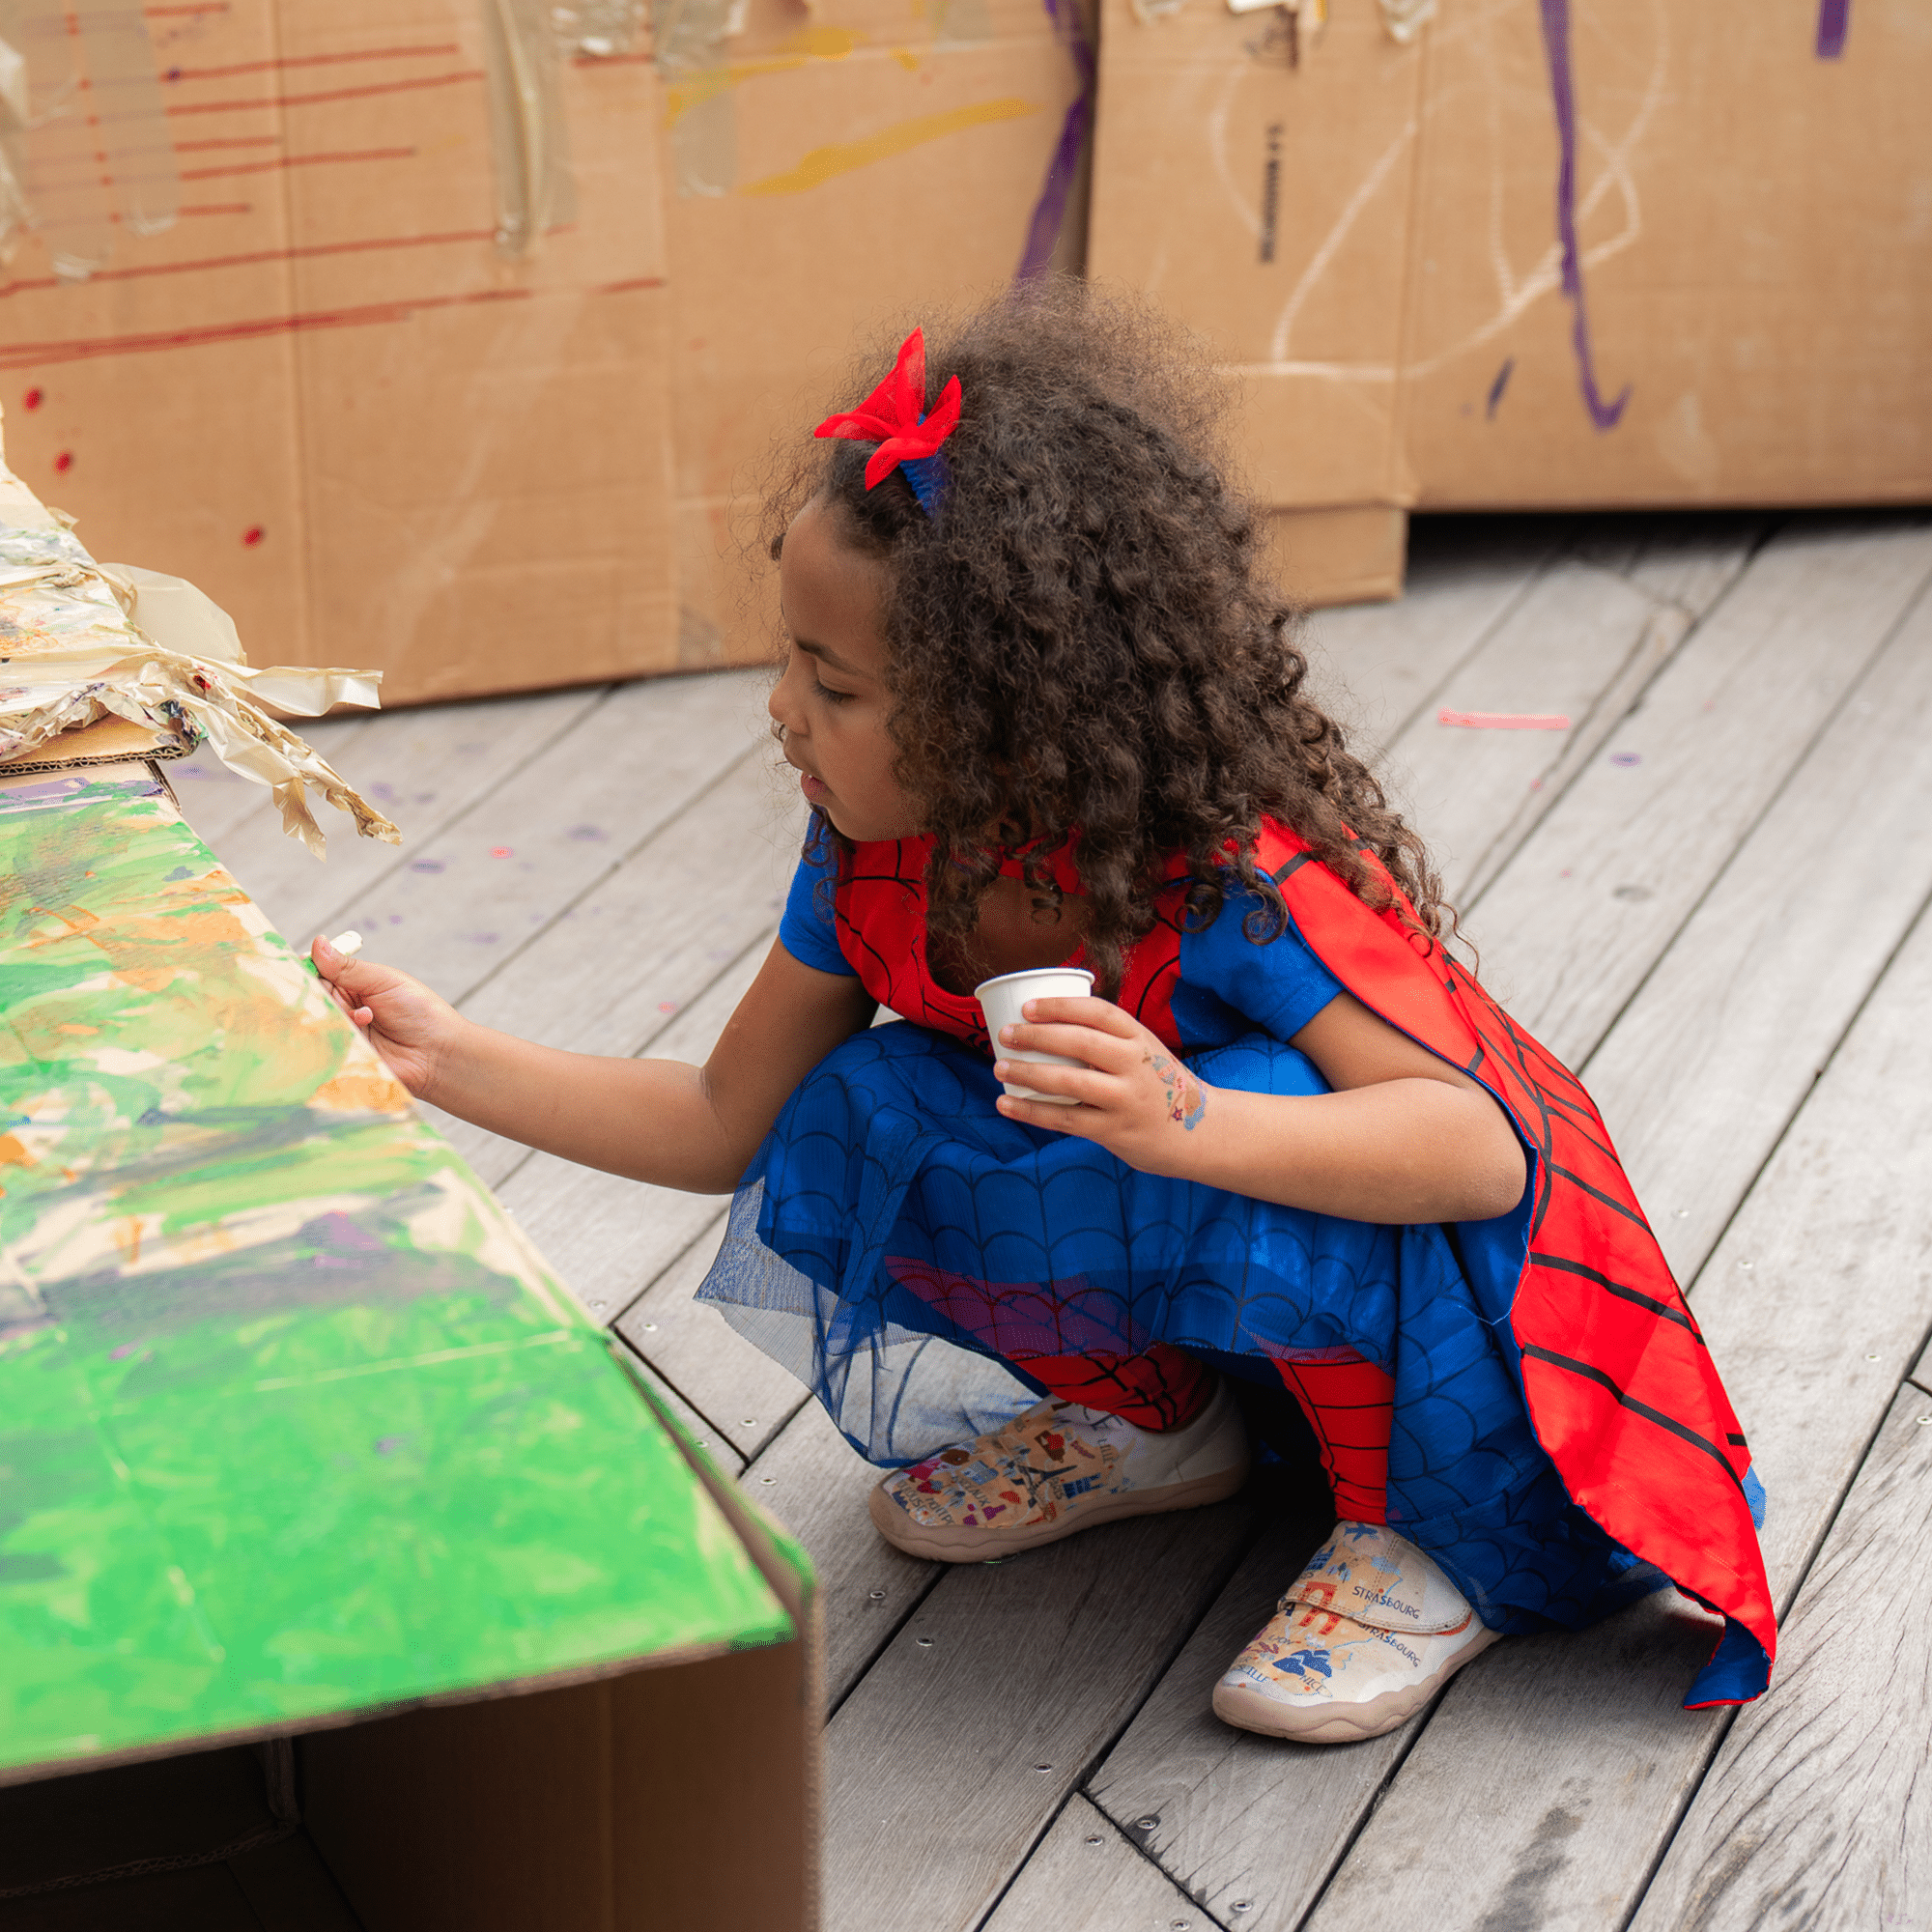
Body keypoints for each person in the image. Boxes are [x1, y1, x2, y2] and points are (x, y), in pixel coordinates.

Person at [314, 285, 1774, 1743]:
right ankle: (1163, 1424)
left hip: (1467, 1313)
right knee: (863, 1110)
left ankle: (1413, 1542)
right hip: (1211, 1231)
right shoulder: (878, 856)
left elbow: (1479, 1154)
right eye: (788, 663)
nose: (779, 713)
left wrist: (1190, 1117)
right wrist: (444, 1055)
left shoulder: (1231, 873)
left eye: (831, 682)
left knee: (1271, 1084)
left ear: (1009, 716)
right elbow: (721, 1125)